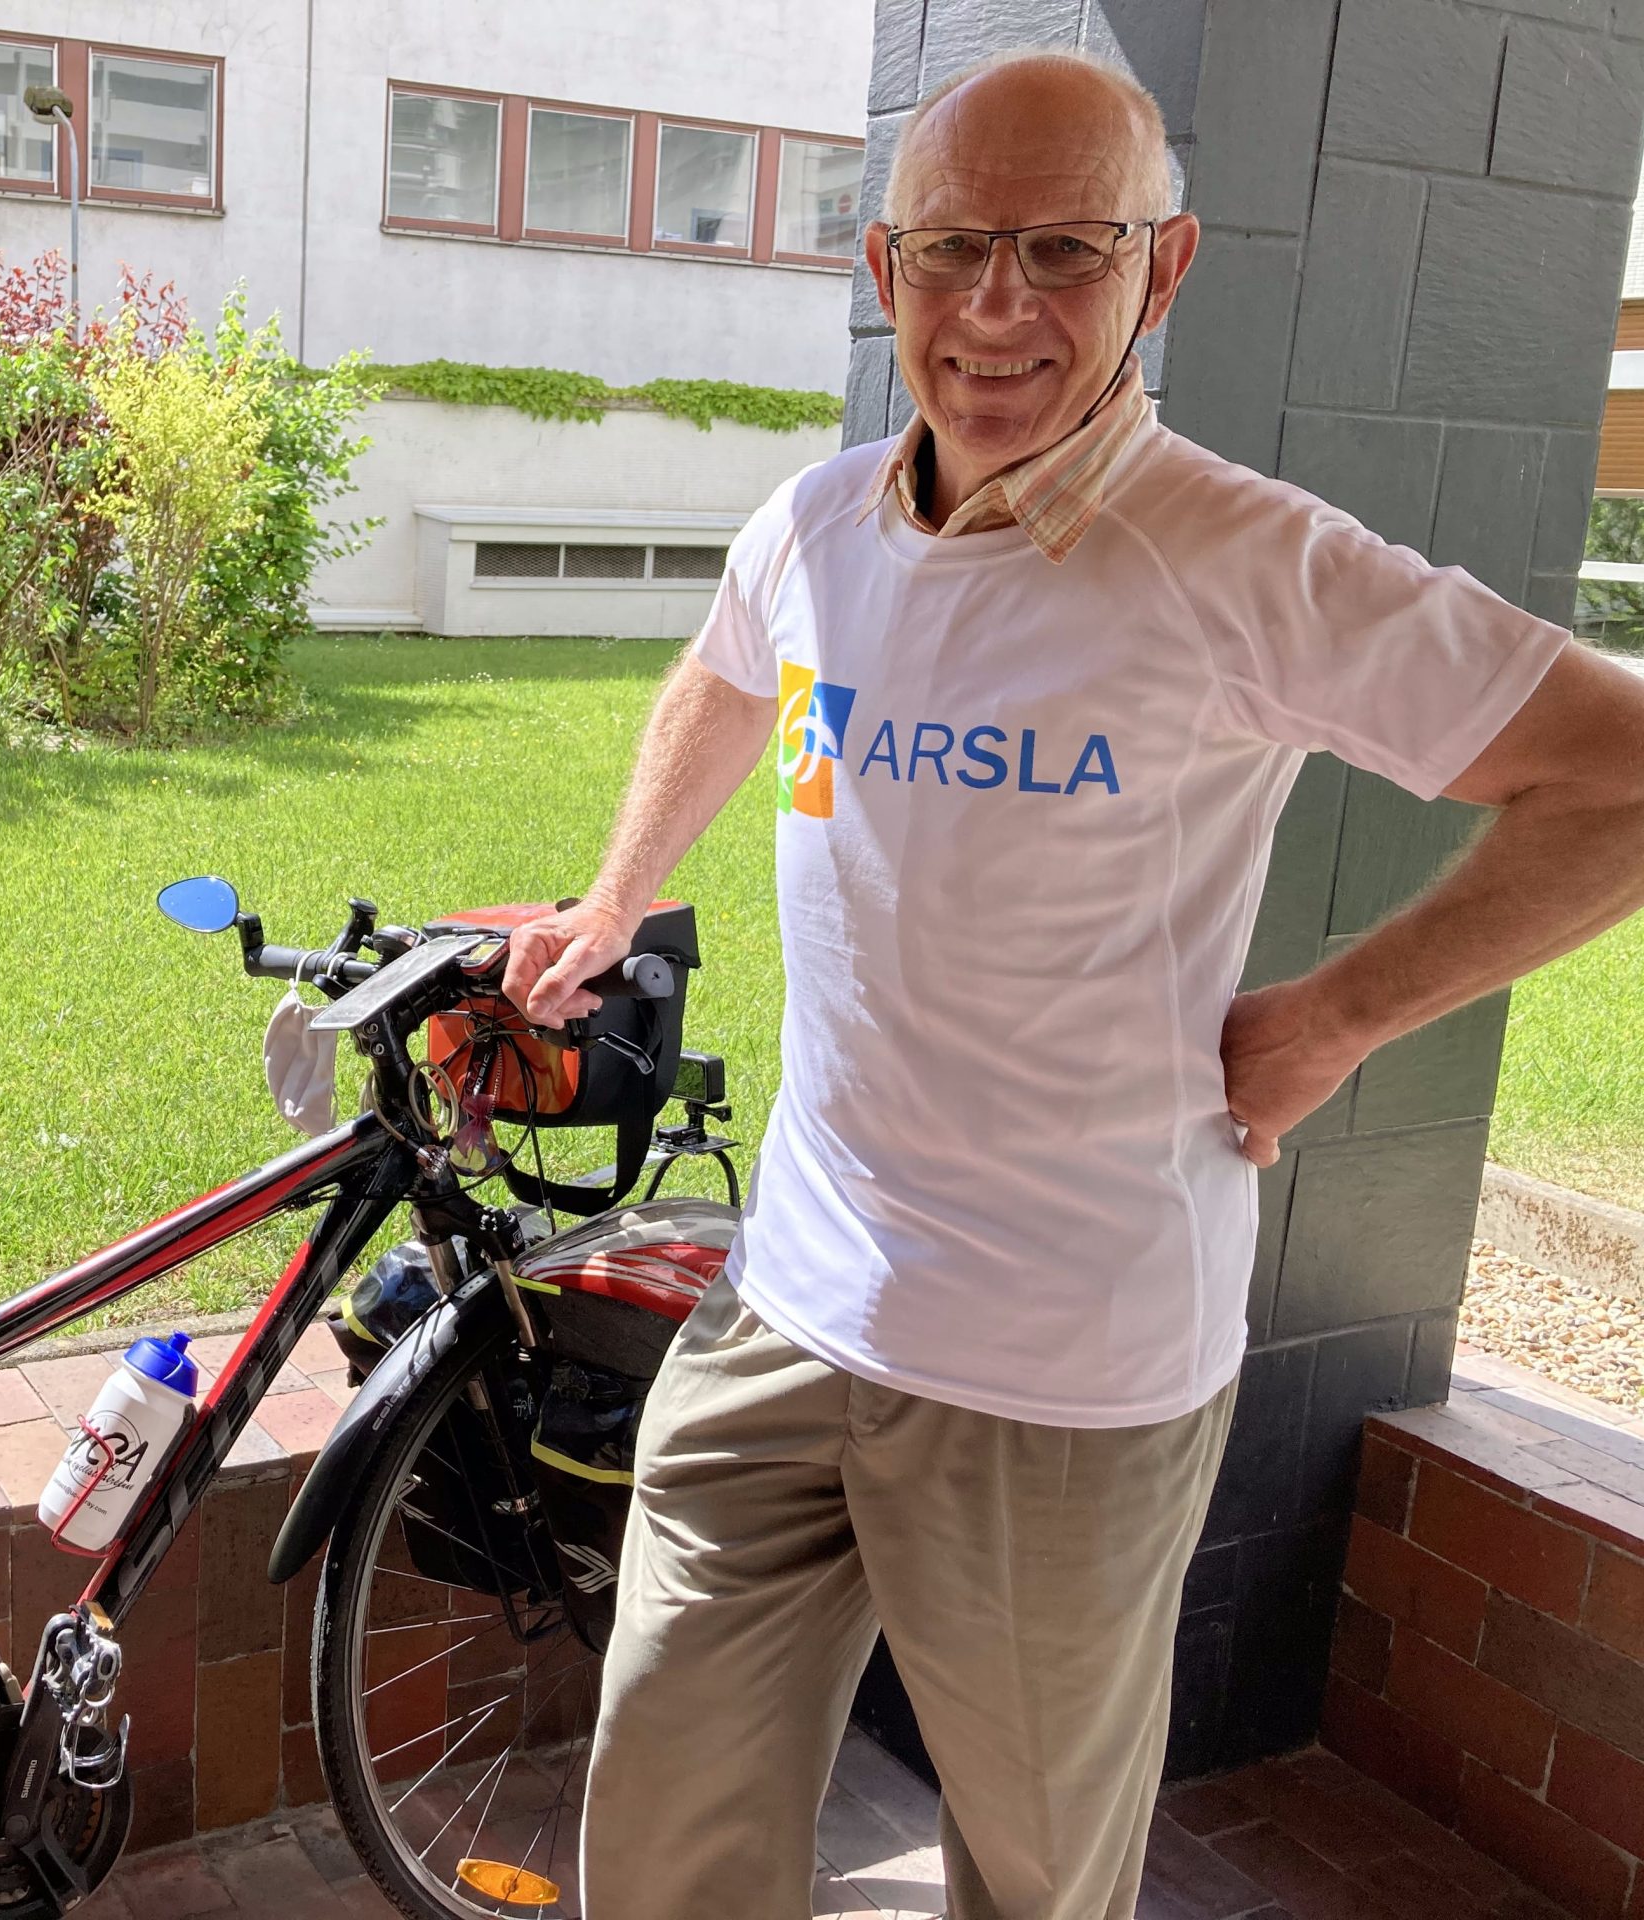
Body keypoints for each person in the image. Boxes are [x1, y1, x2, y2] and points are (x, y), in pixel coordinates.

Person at [500, 47, 1644, 1920]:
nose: (1002, 305)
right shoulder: (814, 527)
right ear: (887, 273)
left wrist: (1336, 1017)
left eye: (1066, 247)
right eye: (955, 249)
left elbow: (1618, 771)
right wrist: (617, 892)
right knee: (666, 1837)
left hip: (1063, 1381)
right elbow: (728, 671)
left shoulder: (1247, 564)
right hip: (785, 1310)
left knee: (1036, 1883)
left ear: (1164, 270)